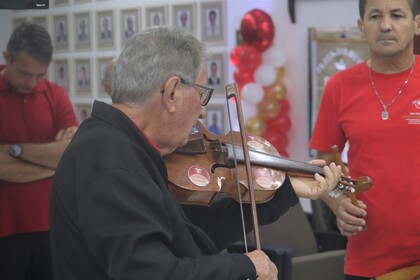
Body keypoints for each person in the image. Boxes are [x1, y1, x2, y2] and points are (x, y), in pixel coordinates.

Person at [49, 26, 341, 280]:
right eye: (201, 93)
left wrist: (287, 189)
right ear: (172, 92)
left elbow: (193, 236)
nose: (202, 110)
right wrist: (245, 266)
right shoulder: (112, 162)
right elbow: (149, 273)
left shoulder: (126, 149)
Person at [309, 0, 420, 279]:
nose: (385, 25)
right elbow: (321, 168)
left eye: (397, 15)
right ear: (361, 28)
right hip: (367, 262)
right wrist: (338, 204)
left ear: (417, 24)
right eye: (375, 16)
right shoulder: (339, 86)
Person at [0, 23, 78, 280]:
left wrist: (15, 152)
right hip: (5, 228)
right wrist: (49, 160)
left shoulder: (56, 95)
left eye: (40, 75)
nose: (32, 82)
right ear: (7, 57)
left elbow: (69, 154)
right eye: (24, 73)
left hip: (51, 225)